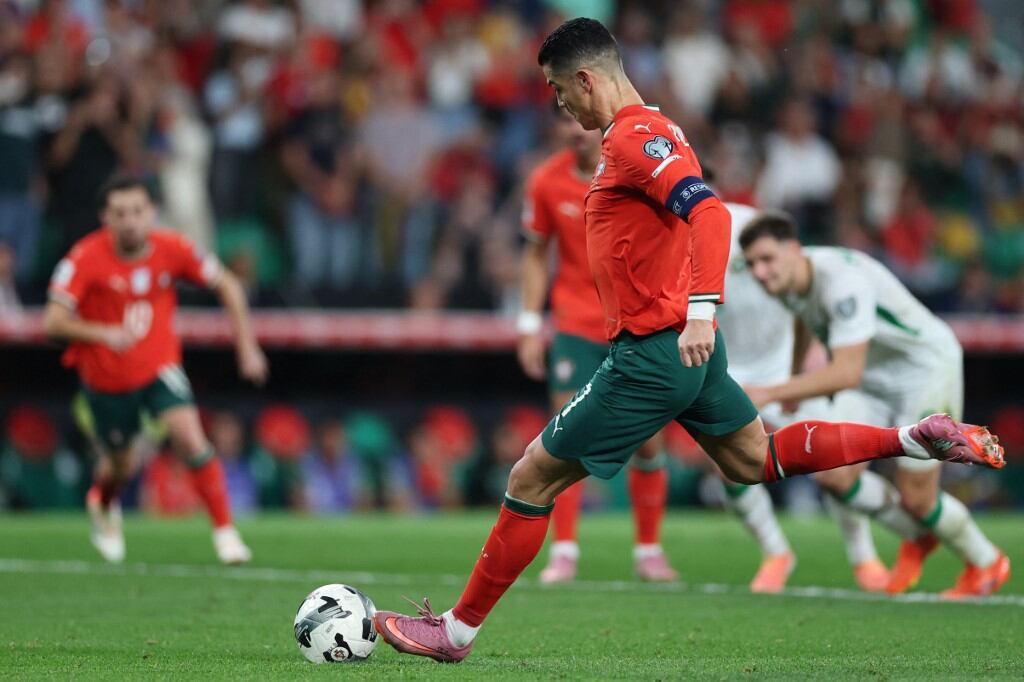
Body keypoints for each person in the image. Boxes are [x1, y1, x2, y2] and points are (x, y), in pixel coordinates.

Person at [372, 18, 1004, 664]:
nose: (559, 105)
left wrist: (704, 308)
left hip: (651, 351)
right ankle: (911, 437)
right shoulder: (656, 130)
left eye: (560, 90)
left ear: (587, 80)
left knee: (531, 476)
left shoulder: (634, 137)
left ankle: (453, 632)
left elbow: (705, 212)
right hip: (682, 350)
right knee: (753, 459)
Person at [739, 211, 1011, 599]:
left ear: (794, 249)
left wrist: (772, 391)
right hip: (871, 375)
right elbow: (802, 315)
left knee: (918, 497)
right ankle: (917, 537)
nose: (760, 272)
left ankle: (987, 562)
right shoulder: (792, 276)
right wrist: (797, 376)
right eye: (751, 265)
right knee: (833, 473)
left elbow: (845, 372)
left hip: (923, 369)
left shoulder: (842, 283)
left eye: (766, 259)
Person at [44, 175, 268, 565]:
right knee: (121, 464)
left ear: (151, 213)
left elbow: (228, 284)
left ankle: (226, 533)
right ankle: (102, 501)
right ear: (105, 218)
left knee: (190, 437)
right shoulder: (84, 259)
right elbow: (52, 323)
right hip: (106, 379)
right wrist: (102, 333)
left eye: (137, 211)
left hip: (159, 366)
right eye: (119, 213)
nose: (129, 221)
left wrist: (247, 347)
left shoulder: (172, 247)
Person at [518, 106, 677, 583]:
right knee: (565, 435)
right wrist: (529, 323)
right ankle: (564, 551)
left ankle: (648, 550)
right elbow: (534, 254)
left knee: (648, 441)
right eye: (564, 123)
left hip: (633, 322)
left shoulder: (635, 174)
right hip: (575, 325)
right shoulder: (546, 181)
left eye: (580, 123)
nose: (573, 131)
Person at [717, 201, 890, 594]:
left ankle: (864, 555)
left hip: (780, 363)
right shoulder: (666, 240)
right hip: (727, 367)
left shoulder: (749, 227)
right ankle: (775, 553)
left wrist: (799, 365)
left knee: (829, 461)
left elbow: (797, 283)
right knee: (726, 465)